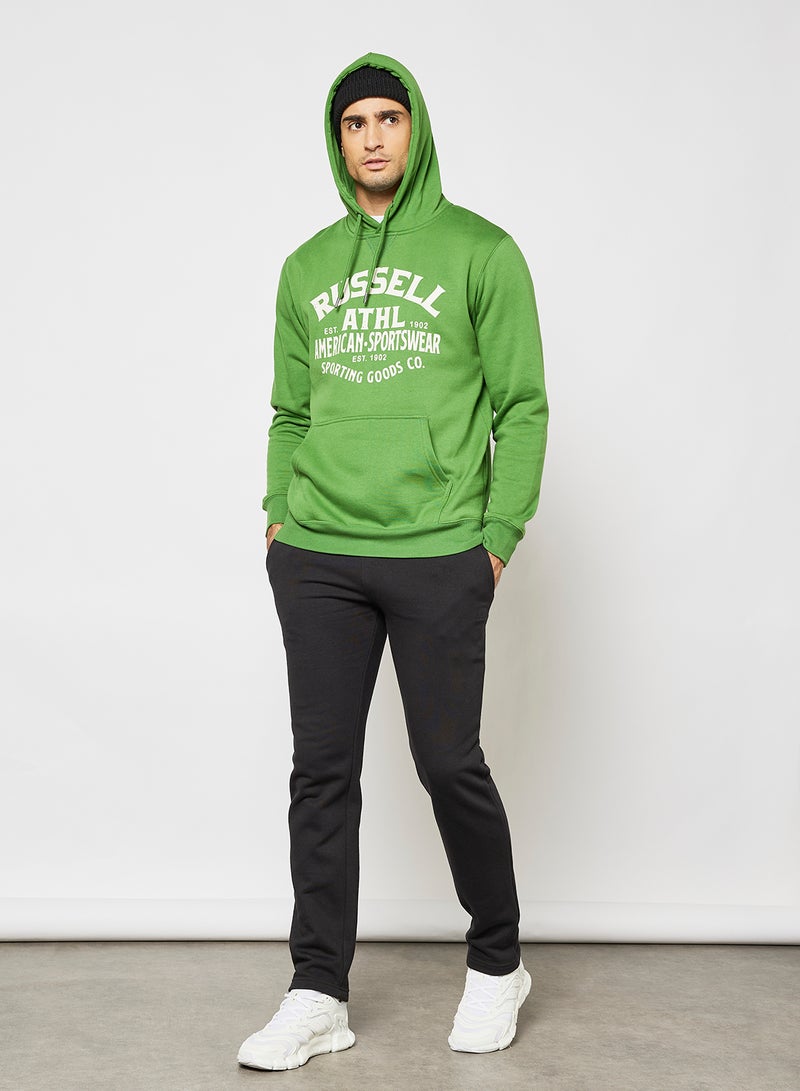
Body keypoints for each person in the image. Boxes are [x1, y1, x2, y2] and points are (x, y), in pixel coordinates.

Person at [238, 52, 548, 1072]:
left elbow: (522, 407)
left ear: (415, 128)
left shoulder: (481, 251)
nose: (371, 137)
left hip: (437, 551)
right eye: (353, 123)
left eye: (387, 117)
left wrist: (494, 540)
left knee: (447, 761)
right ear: (336, 142)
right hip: (318, 552)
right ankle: (317, 989)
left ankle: (497, 961)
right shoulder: (305, 267)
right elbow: (289, 411)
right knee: (320, 773)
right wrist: (279, 517)